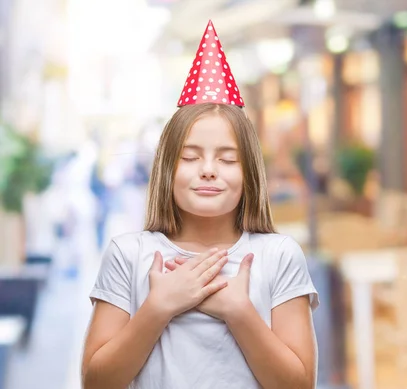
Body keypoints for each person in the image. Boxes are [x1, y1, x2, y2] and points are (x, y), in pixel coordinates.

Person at [81, 20, 319, 389]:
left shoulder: (279, 255)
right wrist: (159, 307)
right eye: (191, 157)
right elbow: (96, 382)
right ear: (166, 169)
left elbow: (299, 384)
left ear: (250, 174)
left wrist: (239, 312)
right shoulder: (128, 254)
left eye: (227, 159)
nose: (209, 170)